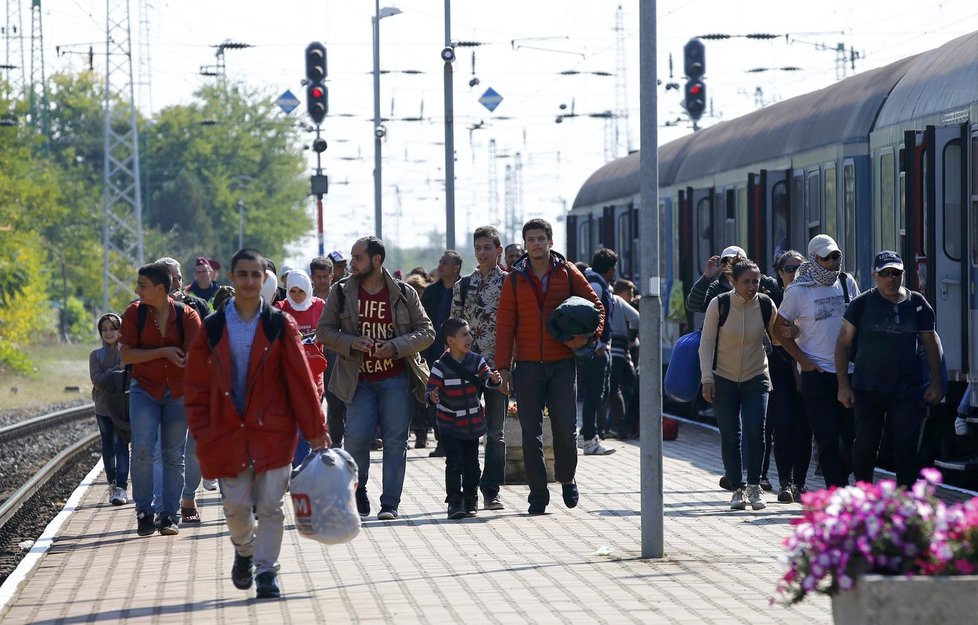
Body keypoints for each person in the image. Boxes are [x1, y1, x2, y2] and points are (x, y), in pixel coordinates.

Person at [184, 248, 329, 600]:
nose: (250, 281)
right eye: (243, 274)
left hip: (274, 433)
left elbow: (300, 380)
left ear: (265, 279)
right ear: (232, 279)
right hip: (228, 433)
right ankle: (244, 549)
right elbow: (197, 385)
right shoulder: (214, 326)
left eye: (256, 275)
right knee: (234, 507)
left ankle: (267, 572)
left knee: (270, 507)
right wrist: (203, 432)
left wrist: (316, 432)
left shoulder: (280, 324)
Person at [316, 236, 434, 521]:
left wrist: (394, 347)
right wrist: (352, 342)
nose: (352, 264)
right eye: (353, 258)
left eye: (358, 258)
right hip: (358, 380)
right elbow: (323, 332)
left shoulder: (404, 293)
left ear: (376, 260)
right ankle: (358, 491)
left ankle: (390, 503)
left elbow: (427, 332)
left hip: (396, 379)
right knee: (355, 439)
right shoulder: (341, 292)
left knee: (395, 441)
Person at [495, 218, 605, 515]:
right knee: (530, 432)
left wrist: (587, 337)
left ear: (550, 241)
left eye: (541, 238)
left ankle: (567, 478)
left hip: (562, 363)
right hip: (528, 365)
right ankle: (538, 493)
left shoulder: (567, 272)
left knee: (565, 429)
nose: (536, 244)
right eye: (530, 239)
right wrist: (503, 368)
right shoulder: (514, 279)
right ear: (525, 244)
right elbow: (505, 325)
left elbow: (596, 306)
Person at [835, 251, 943, 488]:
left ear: (903, 274)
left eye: (896, 273)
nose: (891, 278)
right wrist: (843, 385)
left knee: (906, 443)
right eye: (885, 273)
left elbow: (930, 342)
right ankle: (864, 492)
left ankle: (906, 497)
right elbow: (843, 343)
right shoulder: (861, 304)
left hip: (906, 388)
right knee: (865, 445)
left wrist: (936, 382)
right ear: (875, 275)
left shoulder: (917, 304)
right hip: (867, 387)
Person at [120, 261, 202, 537]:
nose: (137, 290)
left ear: (160, 288)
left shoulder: (188, 316)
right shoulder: (134, 314)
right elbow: (126, 355)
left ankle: (169, 514)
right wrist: (165, 351)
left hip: (178, 392)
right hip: (144, 389)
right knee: (142, 450)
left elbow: (198, 353)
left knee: (172, 455)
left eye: (142, 286)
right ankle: (144, 510)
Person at [777, 234, 859, 488]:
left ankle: (842, 480)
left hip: (849, 372)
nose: (833, 262)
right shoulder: (798, 290)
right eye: (826, 258)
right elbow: (779, 328)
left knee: (852, 437)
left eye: (835, 256)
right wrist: (803, 360)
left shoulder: (846, 283)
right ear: (814, 259)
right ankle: (836, 490)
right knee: (827, 437)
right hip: (816, 374)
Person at [699, 260, 779, 511]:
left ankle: (755, 487)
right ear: (732, 281)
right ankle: (737, 488)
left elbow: (776, 338)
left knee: (757, 431)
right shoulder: (719, 304)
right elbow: (706, 344)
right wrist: (707, 379)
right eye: (745, 281)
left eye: (755, 281)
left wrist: (794, 330)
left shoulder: (765, 304)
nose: (752, 287)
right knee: (731, 436)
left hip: (757, 376)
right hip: (724, 378)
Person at [450, 225, 509, 510]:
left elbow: (516, 326)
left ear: (499, 250)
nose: (483, 253)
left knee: (496, 433)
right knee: (466, 432)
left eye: (488, 247)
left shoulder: (510, 284)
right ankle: (466, 490)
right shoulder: (462, 286)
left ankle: (491, 490)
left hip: (498, 367)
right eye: (478, 248)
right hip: (467, 369)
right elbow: (453, 327)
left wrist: (511, 365)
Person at [425, 318, 503, 519]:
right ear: (450, 341)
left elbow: (487, 379)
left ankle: (471, 499)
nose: (470, 337)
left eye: (469, 333)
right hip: (449, 424)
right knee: (454, 463)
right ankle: (454, 501)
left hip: (472, 423)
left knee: (472, 464)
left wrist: (495, 380)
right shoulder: (440, 365)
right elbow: (429, 390)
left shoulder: (477, 360)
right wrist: (432, 397)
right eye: (465, 334)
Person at [156, 257, 213, 522]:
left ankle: (188, 495)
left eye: (179, 277)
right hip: (161, 388)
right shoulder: (142, 309)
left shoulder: (198, 306)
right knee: (167, 449)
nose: (177, 283)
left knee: (195, 447)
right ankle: (165, 503)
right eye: (170, 279)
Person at [766, 251, 812, 503]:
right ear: (780, 272)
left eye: (800, 267)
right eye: (789, 268)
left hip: (808, 364)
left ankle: (800, 483)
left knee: (805, 426)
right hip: (779, 365)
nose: (794, 272)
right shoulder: (770, 296)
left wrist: (794, 329)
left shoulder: (812, 293)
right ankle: (785, 482)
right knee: (783, 423)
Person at [275, 268, 327, 465]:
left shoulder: (320, 306)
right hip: (288, 375)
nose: (297, 296)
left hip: (314, 374)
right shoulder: (280, 307)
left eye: (301, 291)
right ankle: (291, 466)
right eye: (293, 291)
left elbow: (330, 330)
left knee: (308, 421)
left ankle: (303, 468)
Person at [420, 250, 463, 457]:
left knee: (459, 397)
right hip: (434, 351)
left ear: (456, 267)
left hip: (459, 353)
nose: (440, 265)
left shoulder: (464, 289)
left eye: (445, 262)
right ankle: (441, 441)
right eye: (440, 261)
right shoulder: (430, 292)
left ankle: (458, 441)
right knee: (435, 397)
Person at [579, 248, 618, 455]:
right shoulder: (596, 284)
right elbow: (589, 316)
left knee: (597, 393)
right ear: (611, 270)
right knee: (595, 395)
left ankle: (585, 434)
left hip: (595, 348)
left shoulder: (590, 280)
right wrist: (596, 344)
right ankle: (589, 440)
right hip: (596, 350)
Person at [89, 313, 129, 506]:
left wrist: (111, 374)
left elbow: (128, 377)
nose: (108, 333)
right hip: (103, 408)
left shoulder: (127, 351)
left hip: (122, 408)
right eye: (104, 329)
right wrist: (117, 369)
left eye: (113, 328)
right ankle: (112, 484)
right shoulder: (95, 355)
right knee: (108, 447)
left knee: (121, 445)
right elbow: (97, 381)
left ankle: (121, 487)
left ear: (120, 330)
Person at [686, 245, 780, 314]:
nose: (731, 268)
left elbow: (782, 293)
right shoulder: (717, 288)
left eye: (737, 264)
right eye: (726, 264)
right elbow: (693, 305)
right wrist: (706, 278)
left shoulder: (760, 282)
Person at [608, 279, 639, 439]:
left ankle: (610, 427)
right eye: (629, 293)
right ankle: (619, 426)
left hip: (608, 353)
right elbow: (636, 318)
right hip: (620, 354)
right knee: (619, 390)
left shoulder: (604, 299)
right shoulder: (618, 302)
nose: (632, 296)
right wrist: (631, 339)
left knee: (610, 390)